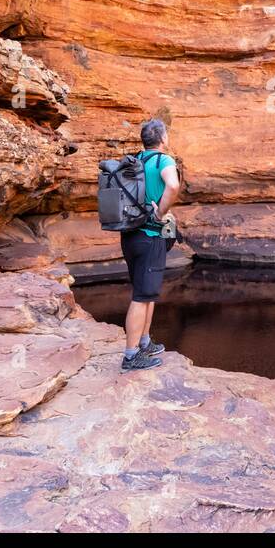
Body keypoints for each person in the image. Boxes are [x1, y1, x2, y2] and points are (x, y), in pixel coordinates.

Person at [119, 117, 180, 372]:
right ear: (163, 139)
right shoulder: (163, 160)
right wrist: (159, 213)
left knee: (147, 293)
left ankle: (144, 342)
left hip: (129, 234)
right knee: (141, 296)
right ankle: (131, 356)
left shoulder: (134, 161)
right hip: (151, 235)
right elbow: (173, 185)